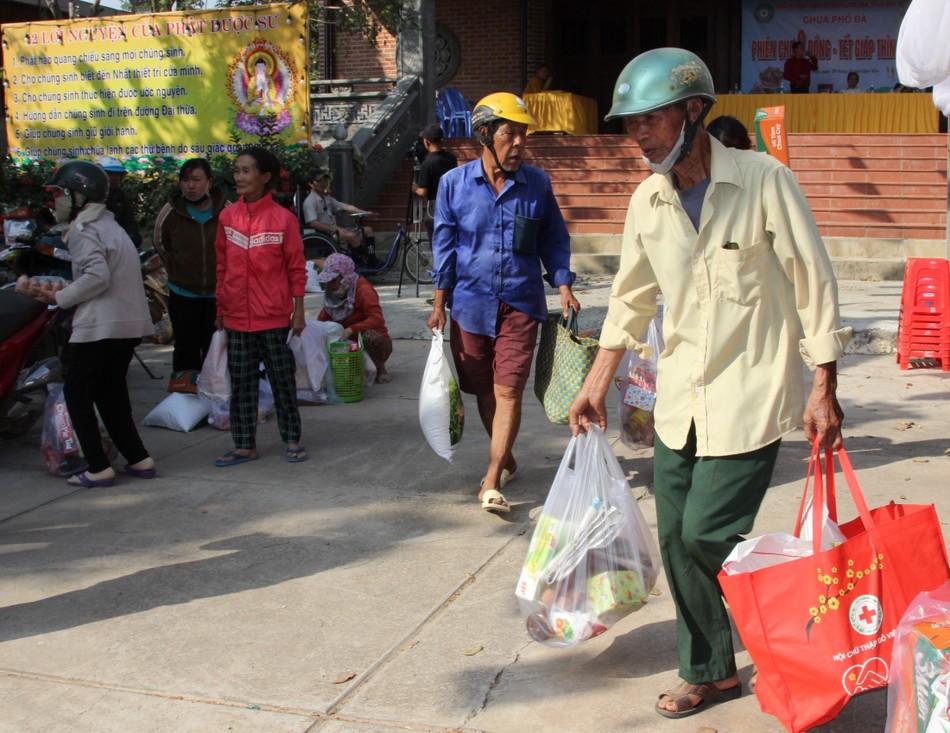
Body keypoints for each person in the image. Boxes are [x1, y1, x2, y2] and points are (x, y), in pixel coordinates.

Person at [568, 48, 852, 719]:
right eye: (630, 123)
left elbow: (813, 280)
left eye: (652, 118)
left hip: (749, 396)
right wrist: (596, 383)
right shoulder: (648, 201)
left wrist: (824, 382)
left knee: (703, 531)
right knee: (675, 539)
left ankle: (793, 636)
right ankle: (712, 671)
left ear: (694, 110)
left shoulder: (763, 181)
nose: (638, 133)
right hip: (678, 402)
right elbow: (632, 299)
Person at [427, 92, 580, 515]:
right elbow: (444, 247)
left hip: (520, 301)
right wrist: (440, 303)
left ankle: (492, 479)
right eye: (509, 134)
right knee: (483, 391)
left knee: (508, 389)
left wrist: (563, 282)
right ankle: (507, 457)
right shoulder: (453, 186)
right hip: (470, 306)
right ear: (485, 135)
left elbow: (553, 237)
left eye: (523, 135)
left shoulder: (537, 184)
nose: (518, 144)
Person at [28, 160, 156, 487]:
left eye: (59, 194)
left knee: (78, 393)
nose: (54, 202)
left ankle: (97, 466)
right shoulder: (110, 227)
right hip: (127, 326)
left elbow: (96, 277)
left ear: (78, 196)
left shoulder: (84, 230)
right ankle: (139, 458)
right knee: (111, 394)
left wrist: (59, 297)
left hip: (99, 327)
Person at [214, 146, 308, 467]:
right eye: (237, 170)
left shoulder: (284, 220)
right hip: (237, 317)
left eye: (245, 171)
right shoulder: (227, 218)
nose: (238, 177)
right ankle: (244, 445)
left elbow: (297, 269)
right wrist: (221, 309)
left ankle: (292, 439)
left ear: (265, 177)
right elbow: (221, 267)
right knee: (241, 383)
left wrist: (298, 310)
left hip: (274, 317)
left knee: (282, 380)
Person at [153, 158, 228, 393]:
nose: (190, 186)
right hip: (182, 293)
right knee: (185, 347)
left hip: (218, 296)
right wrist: (179, 268)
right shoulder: (171, 212)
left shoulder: (227, 210)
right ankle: (184, 399)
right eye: (185, 180)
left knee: (213, 348)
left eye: (196, 179)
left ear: (209, 182)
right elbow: (160, 244)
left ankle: (213, 398)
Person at [316, 253, 393, 383]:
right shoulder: (332, 294)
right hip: (348, 343)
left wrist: (352, 329)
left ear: (344, 276)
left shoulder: (363, 290)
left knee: (371, 337)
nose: (330, 285)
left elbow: (377, 319)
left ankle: (381, 367)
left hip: (369, 339)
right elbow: (323, 319)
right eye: (328, 282)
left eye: (333, 280)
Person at [302, 169, 381, 267]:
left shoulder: (327, 199)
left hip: (336, 231)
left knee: (368, 230)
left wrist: (366, 213)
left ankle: (372, 257)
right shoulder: (309, 201)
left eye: (324, 180)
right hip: (326, 233)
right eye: (319, 181)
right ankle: (364, 261)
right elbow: (313, 223)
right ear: (311, 184)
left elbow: (346, 207)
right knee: (352, 236)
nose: (323, 183)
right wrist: (335, 229)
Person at [411, 123, 458, 242]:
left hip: (434, 209)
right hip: (452, 206)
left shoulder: (427, 163)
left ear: (426, 142)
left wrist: (415, 188)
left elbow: (423, 191)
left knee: (437, 246)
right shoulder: (451, 159)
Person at [97, 156, 142, 248]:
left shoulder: (123, 198)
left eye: (117, 174)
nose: (114, 178)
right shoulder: (90, 196)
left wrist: (130, 239)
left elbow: (131, 227)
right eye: (109, 173)